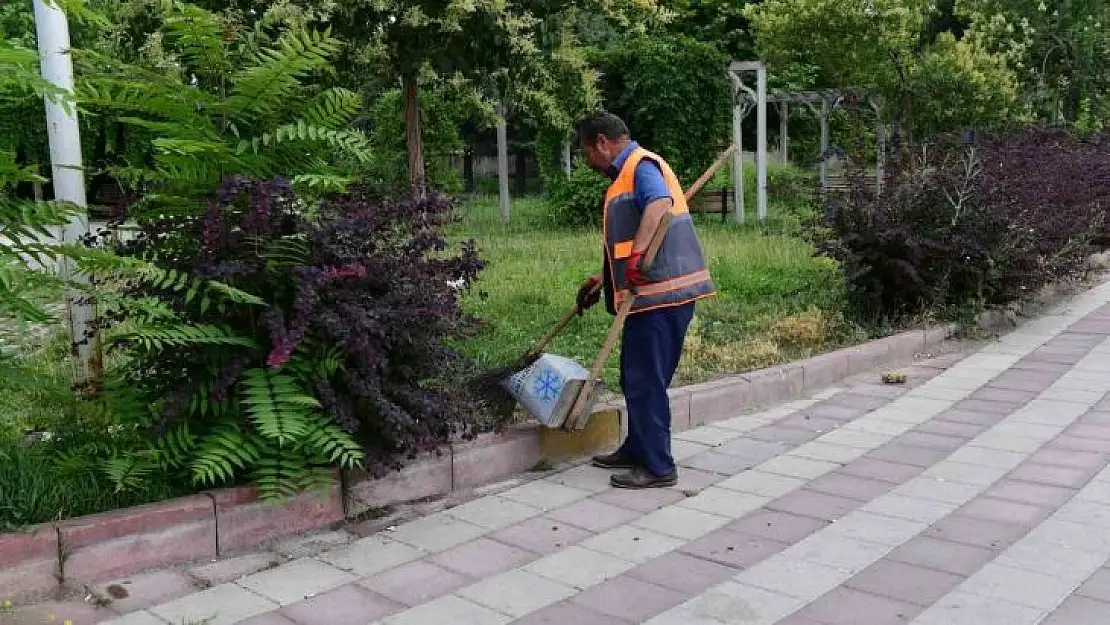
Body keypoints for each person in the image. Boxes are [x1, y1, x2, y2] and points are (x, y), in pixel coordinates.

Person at [573, 111, 716, 489]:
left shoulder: (640, 166)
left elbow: (658, 205)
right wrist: (603, 279)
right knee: (635, 377)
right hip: (646, 297)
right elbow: (630, 233)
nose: (589, 162)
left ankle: (657, 466)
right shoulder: (627, 173)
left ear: (602, 142)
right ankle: (638, 447)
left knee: (646, 380)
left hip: (662, 295)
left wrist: (636, 257)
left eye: (588, 152)